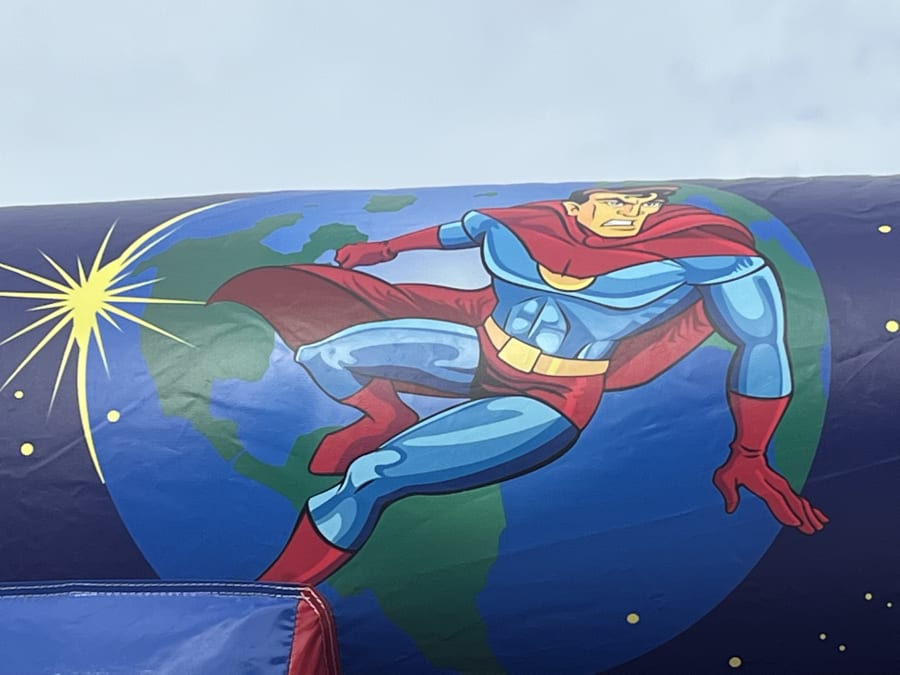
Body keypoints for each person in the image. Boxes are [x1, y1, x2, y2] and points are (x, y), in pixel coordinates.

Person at [209, 185, 828, 585]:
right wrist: (386, 249)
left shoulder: (707, 257)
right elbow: (461, 230)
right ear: (579, 204)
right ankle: (385, 416)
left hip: (550, 398)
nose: (634, 212)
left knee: (373, 477)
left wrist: (750, 452)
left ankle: (269, 603)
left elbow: (762, 345)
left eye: (645, 204)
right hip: (482, 350)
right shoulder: (516, 225)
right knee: (326, 353)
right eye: (620, 201)